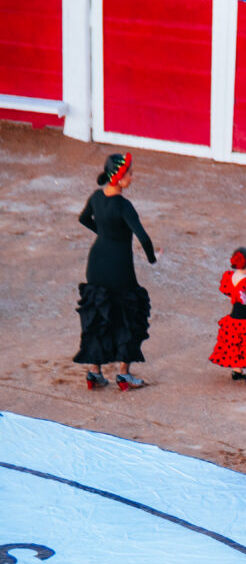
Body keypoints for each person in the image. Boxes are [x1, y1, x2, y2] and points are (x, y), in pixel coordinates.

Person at [73, 153, 159, 391]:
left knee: (99, 315)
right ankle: (123, 374)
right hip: (120, 266)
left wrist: (102, 233)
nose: (133, 176)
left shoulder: (96, 197)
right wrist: (152, 259)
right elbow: (143, 237)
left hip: (96, 261)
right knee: (128, 315)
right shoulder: (124, 206)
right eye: (130, 173)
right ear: (120, 178)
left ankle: (94, 372)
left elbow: (83, 219)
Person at [209, 247, 246, 383]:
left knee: (234, 342)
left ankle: (237, 370)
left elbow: (229, 294)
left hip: (234, 317)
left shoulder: (230, 277)